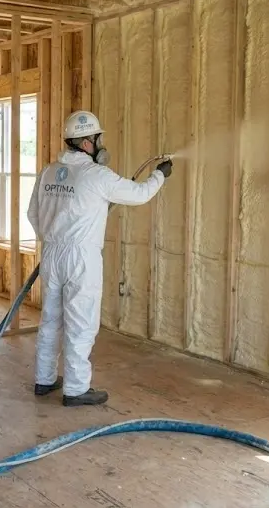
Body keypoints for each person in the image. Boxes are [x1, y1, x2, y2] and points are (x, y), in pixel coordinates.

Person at [27, 110, 173, 406]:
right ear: (85, 142)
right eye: (97, 139)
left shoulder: (49, 172)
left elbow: (33, 213)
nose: (100, 144)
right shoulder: (97, 175)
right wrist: (160, 174)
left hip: (52, 253)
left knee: (51, 319)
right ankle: (77, 388)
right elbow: (140, 193)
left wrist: (54, 237)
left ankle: (44, 379)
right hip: (81, 257)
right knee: (81, 322)